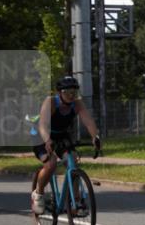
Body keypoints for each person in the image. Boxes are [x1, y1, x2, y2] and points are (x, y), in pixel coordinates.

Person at [30, 76, 101, 214]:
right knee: (50, 164)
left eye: (74, 91)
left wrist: (95, 137)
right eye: (67, 91)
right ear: (59, 93)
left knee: (73, 159)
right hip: (40, 134)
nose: (71, 95)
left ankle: (75, 201)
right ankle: (38, 194)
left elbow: (89, 121)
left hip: (61, 134)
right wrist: (47, 140)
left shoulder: (77, 103)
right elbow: (43, 125)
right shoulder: (50, 102)